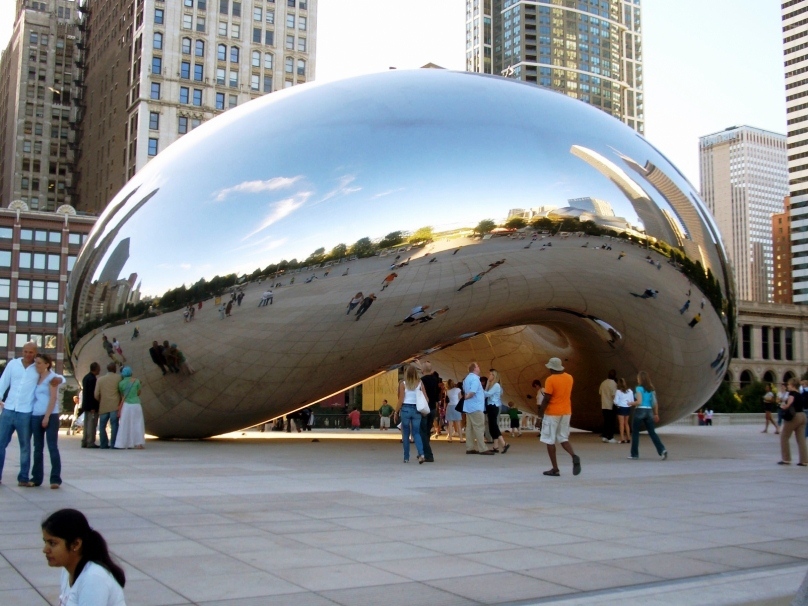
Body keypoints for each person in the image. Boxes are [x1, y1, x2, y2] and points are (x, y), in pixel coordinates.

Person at [0, 341, 63, 486]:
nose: (28, 354)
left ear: (35, 353)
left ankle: (23, 477)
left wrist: (61, 379)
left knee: (25, 447)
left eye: (31, 352)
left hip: (25, 412)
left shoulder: (37, 367)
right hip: (8, 410)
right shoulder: (13, 364)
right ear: (22, 351)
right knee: (1, 444)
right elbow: (3, 382)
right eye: (25, 351)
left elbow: (53, 376)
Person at [41, 509, 126, 605]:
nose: (45, 550)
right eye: (45, 542)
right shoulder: (67, 571)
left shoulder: (93, 578)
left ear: (76, 544)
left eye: (52, 543)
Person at [538, 357, 581, 476]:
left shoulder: (550, 379)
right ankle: (574, 455)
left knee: (549, 440)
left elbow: (547, 398)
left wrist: (540, 415)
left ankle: (555, 469)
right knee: (563, 438)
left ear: (552, 368)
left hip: (552, 413)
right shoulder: (569, 377)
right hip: (566, 411)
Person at [30, 354, 63, 489]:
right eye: (36, 363)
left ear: (47, 364)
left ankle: (55, 479)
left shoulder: (52, 378)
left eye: (39, 363)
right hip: (36, 414)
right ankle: (36, 478)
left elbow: (53, 398)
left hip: (50, 415)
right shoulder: (36, 377)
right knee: (37, 448)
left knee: (52, 446)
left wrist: (47, 416)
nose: (36, 365)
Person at [628, 371, 667, 460]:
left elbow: (639, 401)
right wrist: (656, 413)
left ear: (640, 379)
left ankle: (634, 454)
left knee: (635, 432)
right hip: (649, 411)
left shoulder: (639, 388)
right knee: (652, 432)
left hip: (640, 410)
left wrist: (630, 403)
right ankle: (662, 450)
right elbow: (655, 402)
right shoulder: (651, 389)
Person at [393, 364, 426, 463]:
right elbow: (426, 398)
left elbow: (401, 399)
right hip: (417, 410)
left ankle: (406, 457)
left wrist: (396, 411)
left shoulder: (403, 383)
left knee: (405, 434)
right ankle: (421, 454)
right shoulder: (420, 383)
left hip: (405, 409)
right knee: (416, 433)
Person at [462, 361, 494, 455]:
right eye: (478, 366)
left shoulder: (467, 378)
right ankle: (482, 448)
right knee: (479, 427)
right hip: (476, 407)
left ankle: (470, 447)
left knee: (470, 428)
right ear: (474, 369)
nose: (479, 368)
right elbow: (472, 392)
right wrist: (467, 397)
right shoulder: (475, 379)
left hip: (468, 407)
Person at [778, 377, 807, 466]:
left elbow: (789, 404)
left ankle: (786, 459)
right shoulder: (800, 394)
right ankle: (804, 460)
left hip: (794, 417)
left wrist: (783, 406)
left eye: (789, 384)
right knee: (801, 439)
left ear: (793, 385)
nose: (788, 386)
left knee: (784, 436)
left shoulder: (792, 393)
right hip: (802, 416)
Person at [114, 367, 145, 450]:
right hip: (136, 404)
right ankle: (138, 443)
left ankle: (124, 443)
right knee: (138, 423)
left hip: (126, 405)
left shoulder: (121, 383)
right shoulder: (136, 381)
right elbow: (138, 392)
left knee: (125, 423)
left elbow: (122, 394)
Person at [94, 363, 120, 449]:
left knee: (102, 426)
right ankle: (114, 444)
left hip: (103, 405)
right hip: (114, 405)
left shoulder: (100, 379)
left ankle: (103, 444)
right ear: (115, 369)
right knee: (114, 425)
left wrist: (100, 400)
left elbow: (96, 394)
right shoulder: (119, 378)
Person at [484, 369, 509, 453]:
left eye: (491, 374)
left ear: (494, 376)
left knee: (494, 426)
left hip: (493, 406)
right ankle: (496, 446)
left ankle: (504, 443)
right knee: (492, 426)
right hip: (491, 406)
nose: (489, 376)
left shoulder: (496, 385)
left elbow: (487, 394)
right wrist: (487, 384)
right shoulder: (493, 385)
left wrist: (482, 390)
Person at [418, 361, 439, 462]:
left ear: (422, 370)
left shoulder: (422, 380)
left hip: (424, 408)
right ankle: (423, 452)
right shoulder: (435, 380)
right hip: (433, 407)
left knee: (422, 431)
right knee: (427, 431)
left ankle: (427, 454)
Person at [81, 363, 101, 449]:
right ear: (96, 369)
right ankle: (90, 441)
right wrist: (93, 406)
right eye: (99, 369)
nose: (100, 370)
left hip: (86, 404)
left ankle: (84, 440)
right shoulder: (93, 379)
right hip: (92, 405)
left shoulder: (86, 377)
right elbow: (92, 394)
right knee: (91, 424)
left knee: (86, 424)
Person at [599, 370, 617, 443]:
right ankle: (610, 437)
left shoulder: (603, 383)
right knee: (611, 422)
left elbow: (600, 392)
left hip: (604, 405)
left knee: (606, 421)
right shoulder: (614, 384)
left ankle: (604, 436)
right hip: (611, 405)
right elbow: (614, 395)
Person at [613, 378, 633, 443]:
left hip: (620, 408)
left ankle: (622, 438)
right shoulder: (630, 391)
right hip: (627, 408)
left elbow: (616, 401)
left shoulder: (618, 391)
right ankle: (628, 438)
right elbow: (632, 400)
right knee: (626, 423)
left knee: (621, 424)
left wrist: (614, 400)